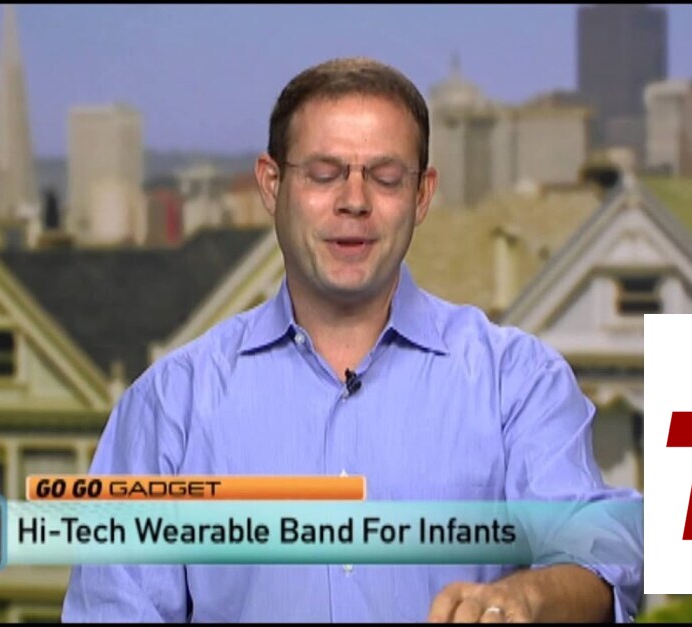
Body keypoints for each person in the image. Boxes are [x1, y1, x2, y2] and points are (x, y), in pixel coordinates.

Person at [63, 57, 643, 623]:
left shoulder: (516, 381)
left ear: (422, 195)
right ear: (271, 184)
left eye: (386, 177)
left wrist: (530, 599)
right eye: (324, 173)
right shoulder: (171, 405)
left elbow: (597, 558)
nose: (355, 201)